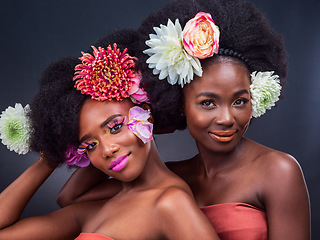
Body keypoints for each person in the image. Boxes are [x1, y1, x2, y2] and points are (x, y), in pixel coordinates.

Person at [57, 0, 311, 239]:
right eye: (207, 103)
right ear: (179, 104)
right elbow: (72, 197)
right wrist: (146, 122)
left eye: (239, 101)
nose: (226, 118)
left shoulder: (278, 171)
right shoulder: (175, 175)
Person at [0, 29, 220, 240]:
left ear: (147, 113)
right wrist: (50, 155)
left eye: (115, 127)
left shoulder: (171, 203)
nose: (107, 149)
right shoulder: (94, 209)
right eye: (90, 145)